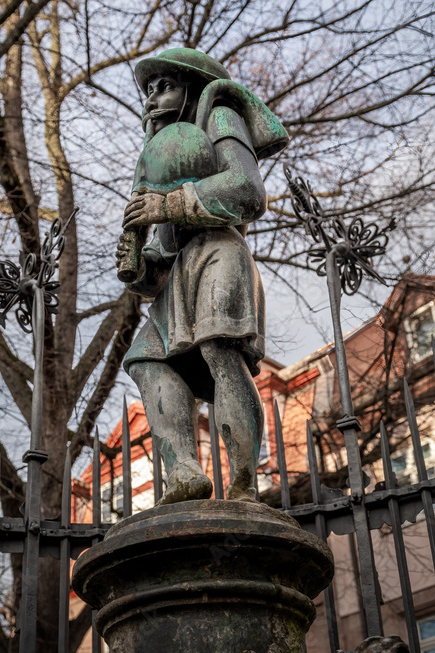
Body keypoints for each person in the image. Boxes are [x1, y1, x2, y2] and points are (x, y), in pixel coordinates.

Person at [116, 48, 289, 504]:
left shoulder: (220, 114)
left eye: (164, 87)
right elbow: (162, 249)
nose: (152, 99)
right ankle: (185, 472)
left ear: (190, 86)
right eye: (148, 92)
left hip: (219, 252)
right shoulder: (161, 147)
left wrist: (167, 205)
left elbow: (248, 191)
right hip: (179, 272)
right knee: (147, 360)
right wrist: (143, 267)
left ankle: (245, 485)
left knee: (219, 351)